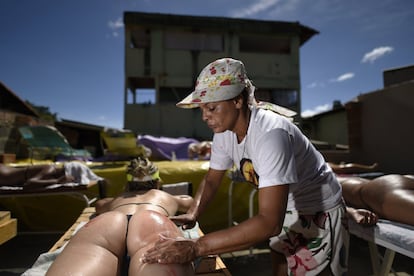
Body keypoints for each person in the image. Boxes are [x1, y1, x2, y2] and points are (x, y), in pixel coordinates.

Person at [142, 58, 349, 275]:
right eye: (201, 109)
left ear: (238, 101)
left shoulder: (270, 135)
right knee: (281, 266)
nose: (205, 117)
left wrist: (197, 247)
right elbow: (212, 179)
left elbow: (269, 222)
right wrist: (193, 213)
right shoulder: (224, 132)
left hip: (318, 209)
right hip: (285, 206)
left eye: (211, 107)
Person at [46, 157, 195, 276]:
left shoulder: (119, 198)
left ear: (128, 182)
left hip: (111, 222)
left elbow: (99, 205)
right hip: (151, 222)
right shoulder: (164, 196)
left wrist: (119, 197)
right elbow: (189, 202)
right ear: (157, 181)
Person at [338, 174, 414, 226]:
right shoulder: (331, 175)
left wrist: (352, 212)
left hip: (380, 191)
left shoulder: (329, 179)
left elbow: (328, 205)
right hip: (397, 181)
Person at [0, 161, 103, 190]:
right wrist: (58, 181)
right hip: (3, 175)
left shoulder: (51, 172)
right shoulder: (50, 169)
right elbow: (29, 184)